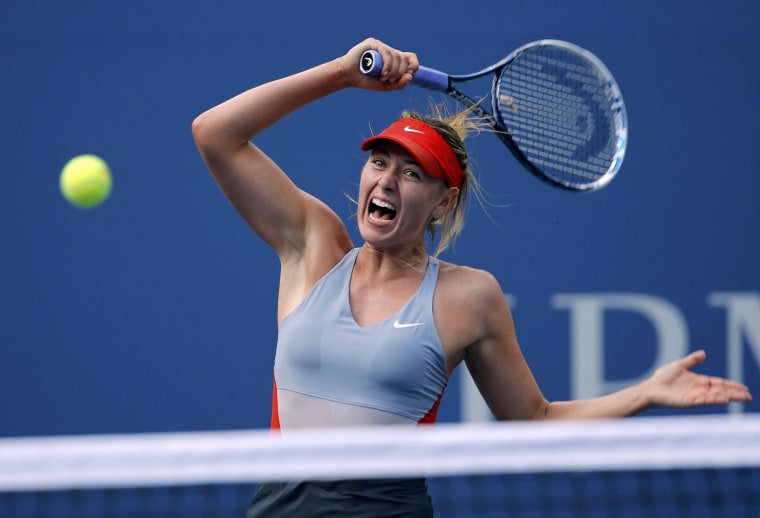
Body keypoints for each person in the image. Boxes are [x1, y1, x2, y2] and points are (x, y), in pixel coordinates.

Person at [192, 38, 752, 518]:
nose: (387, 182)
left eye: (412, 173)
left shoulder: (467, 296)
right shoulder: (313, 245)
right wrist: (342, 73)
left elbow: (533, 421)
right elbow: (215, 133)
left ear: (442, 203)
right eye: (380, 162)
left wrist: (646, 393)